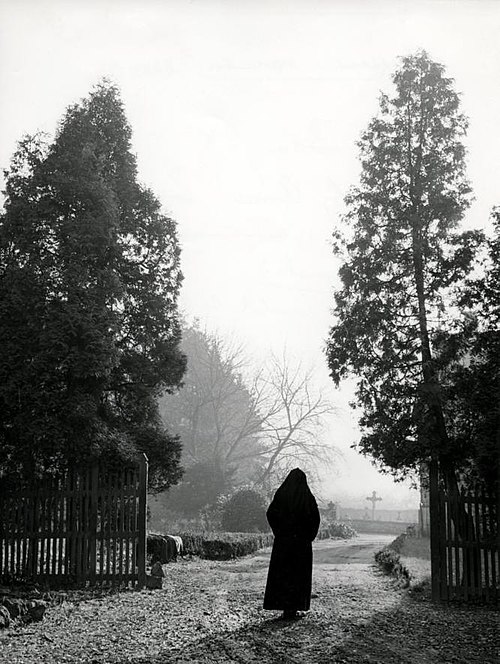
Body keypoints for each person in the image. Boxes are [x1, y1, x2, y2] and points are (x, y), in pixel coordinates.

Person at [263, 468, 320, 620]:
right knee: (298, 575)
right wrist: (308, 537)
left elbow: (271, 513)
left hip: (284, 543)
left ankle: (284, 606)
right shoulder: (307, 498)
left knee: (283, 574)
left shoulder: (282, 495)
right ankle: (296, 606)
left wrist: (280, 531)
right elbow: (315, 519)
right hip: (301, 545)